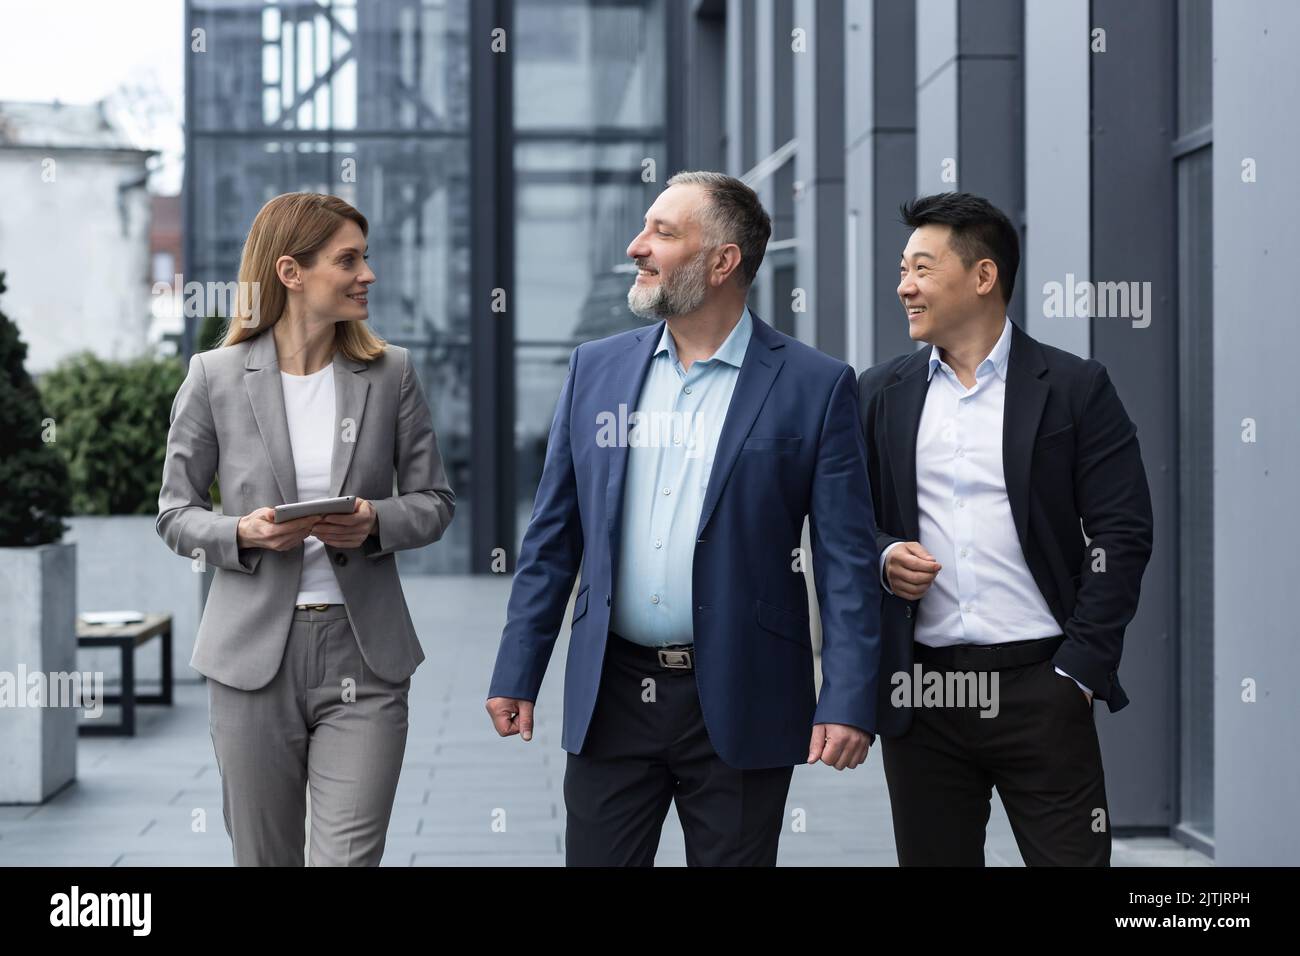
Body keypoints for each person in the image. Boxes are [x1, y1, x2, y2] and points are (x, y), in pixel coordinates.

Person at [487, 171, 881, 866]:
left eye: (663, 233)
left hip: (744, 692)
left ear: (723, 261)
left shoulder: (816, 387)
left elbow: (846, 560)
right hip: (612, 695)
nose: (638, 247)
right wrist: (518, 669)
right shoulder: (595, 370)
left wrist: (847, 696)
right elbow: (553, 538)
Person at [156, 192, 455, 865]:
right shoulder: (215, 377)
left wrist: (377, 521)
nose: (367, 275)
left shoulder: (391, 373)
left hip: (366, 655)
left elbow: (435, 501)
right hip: (251, 662)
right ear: (291, 272)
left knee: (347, 860)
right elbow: (175, 512)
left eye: (365, 258)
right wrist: (243, 534)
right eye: (348, 260)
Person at [859, 191, 1154, 866]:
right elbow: (849, 524)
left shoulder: (1076, 388)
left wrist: (1079, 671)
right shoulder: (878, 393)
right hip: (923, 693)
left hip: (1042, 686)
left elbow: (1122, 531)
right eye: (902, 269)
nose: (903, 286)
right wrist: (882, 557)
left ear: (983, 276)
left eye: (921, 269)